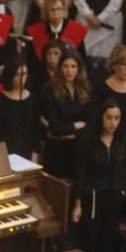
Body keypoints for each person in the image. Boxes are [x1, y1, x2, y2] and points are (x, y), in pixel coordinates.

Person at [72, 100, 126, 252]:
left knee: (106, 244)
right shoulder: (88, 140)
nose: (113, 122)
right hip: (93, 197)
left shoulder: (121, 140)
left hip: (113, 197)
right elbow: (81, 173)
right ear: (101, 118)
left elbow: (123, 168)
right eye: (109, 117)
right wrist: (77, 203)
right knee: (89, 244)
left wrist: (122, 191)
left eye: (117, 118)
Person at [40, 50, 91, 179]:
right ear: (60, 67)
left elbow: (91, 121)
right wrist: (77, 125)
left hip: (80, 148)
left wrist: (71, 129)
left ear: (79, 68)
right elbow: (56, 128)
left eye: (73, 66)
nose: (69, 71)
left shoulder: (85, 87)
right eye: (65, 66)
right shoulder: (50, 89)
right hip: (57, 151)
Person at [93, 45, 126, 148]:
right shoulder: (101, 89)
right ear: (114, 66)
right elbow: (96, 119)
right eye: (123, 64)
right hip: (109, 145)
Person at [0, 61, 40, 161]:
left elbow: (35, 131)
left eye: (24, 74)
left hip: (28, 153)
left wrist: (34, 158)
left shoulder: (33, 99)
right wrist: (1, 159)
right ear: (9, 75)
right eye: (17, 74)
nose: (21, 78)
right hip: (6, 153)